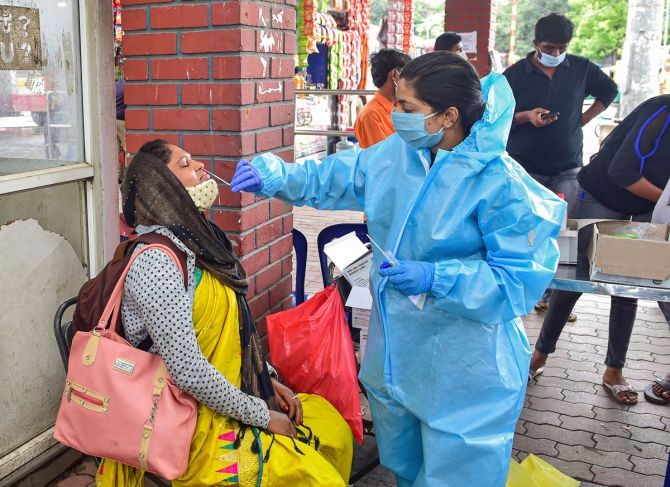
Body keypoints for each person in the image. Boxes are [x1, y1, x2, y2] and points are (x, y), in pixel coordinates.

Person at [230, 51, 564, 486]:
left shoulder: (500, 182)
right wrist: (275, 176)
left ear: (447, 116)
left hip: (467, 364)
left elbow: (518, 280)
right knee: (405, 465)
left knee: (458, 474)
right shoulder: (396, 155)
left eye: (407, 108)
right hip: (398, 350)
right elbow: (332, 178)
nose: (396, 115)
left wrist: (437, 278)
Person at [97, 140, 353, 486]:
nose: (201, 166)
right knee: (314, 478)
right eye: (186, 164)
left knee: (332, 428)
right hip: (188, 423)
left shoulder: (197, 245)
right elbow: (188, 373)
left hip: (228, 395)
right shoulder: (157, 262)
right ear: (163, 187)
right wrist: (263, 416)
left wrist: (268, 379)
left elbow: (232, 335)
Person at [529, 95, 670, 405]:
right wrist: (666, 199)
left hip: (650, 206)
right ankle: (539, 355)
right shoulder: (661, 112)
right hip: (602, 193)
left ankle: (614, 371)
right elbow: (624, 172)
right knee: (573, 280)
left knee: (630, 287)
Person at [503, 12, 618, 315]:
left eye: (561, 48)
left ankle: (551, 294)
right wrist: (526, 117)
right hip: (524, 166)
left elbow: (609, 91)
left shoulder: (581, 68)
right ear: (535, 43)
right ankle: (520, 288)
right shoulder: (514, 76)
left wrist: (582, 119)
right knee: (525, 228)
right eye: (549, 47)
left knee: (561, 231)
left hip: (567, 165)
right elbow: (495, 117)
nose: (555, 54)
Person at [353, 48, 411, 149]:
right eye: (408, 75)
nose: (411, 81)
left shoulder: (399, 107)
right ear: (394, 75)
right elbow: (384, 157)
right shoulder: (371, 114)